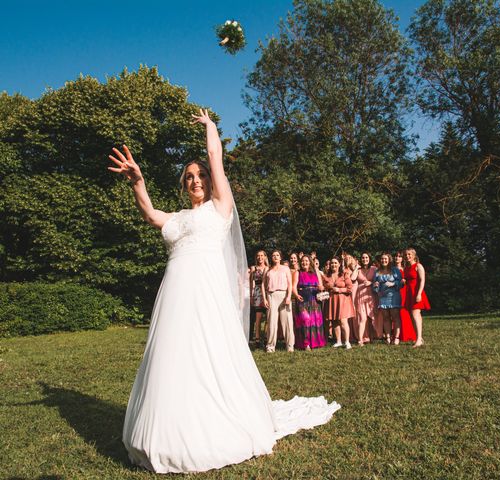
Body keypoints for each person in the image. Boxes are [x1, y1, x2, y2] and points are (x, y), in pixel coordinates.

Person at [110, 109, 339, 474]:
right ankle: (165, 431)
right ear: (183, 184)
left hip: (205, 293)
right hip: (174, 295)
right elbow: (151, 214)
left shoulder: (220, 209)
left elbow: (215, 158)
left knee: (208, 352)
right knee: (170, 354)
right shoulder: (178, 218)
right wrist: (137, 180)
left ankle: (213, 425)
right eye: (189, 176)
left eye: (200, 175)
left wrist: (210, 129)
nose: (196, 179)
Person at [262, 250, 295, 352]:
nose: (275, 257)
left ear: (280, 257)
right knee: (271, 321)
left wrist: (289, 296)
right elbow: (263, 285)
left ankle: (290, 345)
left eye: (277, 255)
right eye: (273, 255)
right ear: (271, 258)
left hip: (284, 294)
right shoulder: (268, 269)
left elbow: (290, 284)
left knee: (287, 321)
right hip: (271, 295)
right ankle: (270, 346)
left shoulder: (285, 268)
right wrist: (264, 298)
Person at [293, 255, 326, 350]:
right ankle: (305, 343)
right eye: (302, 261)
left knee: (314, 321)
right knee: (305, 320)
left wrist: (321, 288)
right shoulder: (297, 273)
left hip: (314, 299)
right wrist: (296, 295)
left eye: (306, 261)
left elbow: (321, 286)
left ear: (310, 262)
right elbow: (294, 286)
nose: (304, 263)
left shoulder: (316, 272)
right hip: (302, 299)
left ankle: (315, 342)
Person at [323, 257, 355, 349]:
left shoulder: (344, 274)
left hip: (343, 301)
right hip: (332, 300)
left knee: (343, 321)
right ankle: (338, 341)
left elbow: (350, 288)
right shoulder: (327, 276)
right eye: (332, 263)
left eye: (335, 263)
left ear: (339, 264)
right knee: (334, 321)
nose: (334, 265)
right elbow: (325, 287)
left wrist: (339, 289)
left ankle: (347, 342)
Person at [403, 248, 431, 348]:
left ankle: (419, 339)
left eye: (409, 254)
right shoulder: (406, 268)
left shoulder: (418, 266)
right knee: (412, 315)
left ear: (414, 255)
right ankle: (419, 338)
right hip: (409, 293)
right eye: (406, 255)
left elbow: (422, 280)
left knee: (415, 314)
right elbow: (407, 280)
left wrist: (419, 293)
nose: (407, 256)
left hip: (417, 292)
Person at [373, 253, 402, 344]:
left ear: (389, 260)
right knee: (386, 318)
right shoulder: (377, 271)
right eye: (382, 259)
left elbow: (401, 283)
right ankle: (388, 337)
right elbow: (375, 287)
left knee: (395, 317)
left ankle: (396, 337)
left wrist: (393, 283)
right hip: (383, 297)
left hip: (394, 296)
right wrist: (376, 285)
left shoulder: (395, 270)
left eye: (385, 259)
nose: (383, 260)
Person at [350, 252, 377, 346]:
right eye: (363, 257)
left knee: (371, 317)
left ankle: (371, 337)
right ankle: (360, 339)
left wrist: (371, 283)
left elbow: (378, 280)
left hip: (371, 296)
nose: (364, 259)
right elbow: (352, 278)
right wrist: (357, 268)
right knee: (363, 318)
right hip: (361, 295)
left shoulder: (374, 269)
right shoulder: (358, 269)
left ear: (369, 258)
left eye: (366, 257)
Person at [394, 251, 416, 342]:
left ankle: (407, 334)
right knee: (396, 314)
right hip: (394, 291)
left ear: (402, 258)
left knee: (404, 312)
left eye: (399, 256)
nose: (397, 258)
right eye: (396, 256)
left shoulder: (406, 268)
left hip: (404, 291)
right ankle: (396, 335)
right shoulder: (391, 269)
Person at [250, 250, 269, 345]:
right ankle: (257, 339)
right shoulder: (254, 268)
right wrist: (251, 296)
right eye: (258, 256)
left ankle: (265, 336)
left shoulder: (269, 268)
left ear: (265, 257)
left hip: (267, 292)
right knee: (258, 317)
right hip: (257, 293)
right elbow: (251, 283)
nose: (260, 257)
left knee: (268, 317)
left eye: (262, 255)